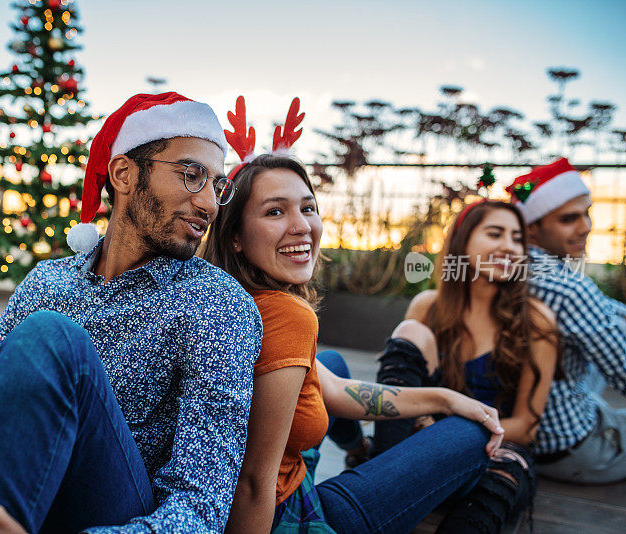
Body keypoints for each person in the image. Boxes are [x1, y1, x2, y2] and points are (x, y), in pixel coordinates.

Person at [0, 92, 263, 533]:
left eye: (217, 184)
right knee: (44, 335)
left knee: (52, 337)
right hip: (12, 499)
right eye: (192, 175)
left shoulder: (218, 304)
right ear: (123, 174)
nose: (210, 204)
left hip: (117, 514)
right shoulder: (46, 282)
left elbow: (200, 505)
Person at [200, 96, 505, 534]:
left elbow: (338, 390)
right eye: (274, 211)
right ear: (236, 238)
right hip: (295, 514)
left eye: (307, 207)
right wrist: (454, 408)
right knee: (470, 435)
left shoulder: (231, 297)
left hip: (281, 480)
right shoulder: (286, 314)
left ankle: (365, 452)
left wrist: (444, 396)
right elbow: (252, 483)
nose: (302, 225)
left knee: (333, 367)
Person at [373, 199, 559, 532]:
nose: (509, 246)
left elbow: (527, 425)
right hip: (420, 441)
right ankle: (380, 487)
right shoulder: (428, 307)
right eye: (495, 233)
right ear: (463, 242)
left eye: (517, 238)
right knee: (409, 332)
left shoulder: (536, 321)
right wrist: (429, 431)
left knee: (489, 497)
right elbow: (402, 389)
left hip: (495, 451)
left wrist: (459, 437)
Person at [505, 158, 626, 484]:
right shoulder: (570, 288)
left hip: (525, 427)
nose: (586, 226)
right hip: (572, 447)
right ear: (531, 227)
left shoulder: (509, 266)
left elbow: (601, 308)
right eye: (569, 218)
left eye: (587, 212)